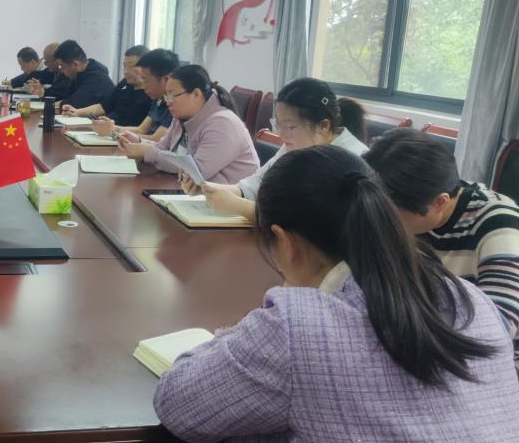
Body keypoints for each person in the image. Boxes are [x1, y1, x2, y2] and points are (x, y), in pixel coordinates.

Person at [154, 145, 519, 442]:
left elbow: (179, 406)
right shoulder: (468, 296)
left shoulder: (297, 324)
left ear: (284, 241)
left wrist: (241, 331)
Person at [365, 128, 519, 370]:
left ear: (440, 202)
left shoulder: (499, 222)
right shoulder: (414, 207)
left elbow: (500, 326)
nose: (385, 223)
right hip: (425, 338)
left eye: (392, 215)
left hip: (489, 359)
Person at [190, 77, 367, 220]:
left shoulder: (353, 161)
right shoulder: (298, 143)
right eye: (278, 125)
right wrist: (215, 190)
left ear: (323, 126)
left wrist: (242, 207)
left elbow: (311, 222)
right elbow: (261, 181)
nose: (282, 135)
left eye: (289, 127)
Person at [118, 64, 258, 182]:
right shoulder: (181, 117)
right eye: (167, 95)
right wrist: (137, 142)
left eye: (173, 95)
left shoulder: (222, 123)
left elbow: (197, 171)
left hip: (230, 202)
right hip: (191, 193)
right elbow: (162, 147)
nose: (168, 102)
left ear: (196, 94)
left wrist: (147, 152)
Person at [62, 45, 151, 127]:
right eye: (124, 66)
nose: (126, 71)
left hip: (122, 133)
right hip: (107, 129)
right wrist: (77, 112)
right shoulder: (124, 84)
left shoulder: (151, 93)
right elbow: (102, 107)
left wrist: (113, 129)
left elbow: (142, 130)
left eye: (131, 66)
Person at [54, 40, 114, 110]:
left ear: (75, 64)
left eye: (62, 66)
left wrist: (49, 105)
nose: (61, 71)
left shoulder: (97, 79)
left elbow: (71, 105)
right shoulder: (79, 75)